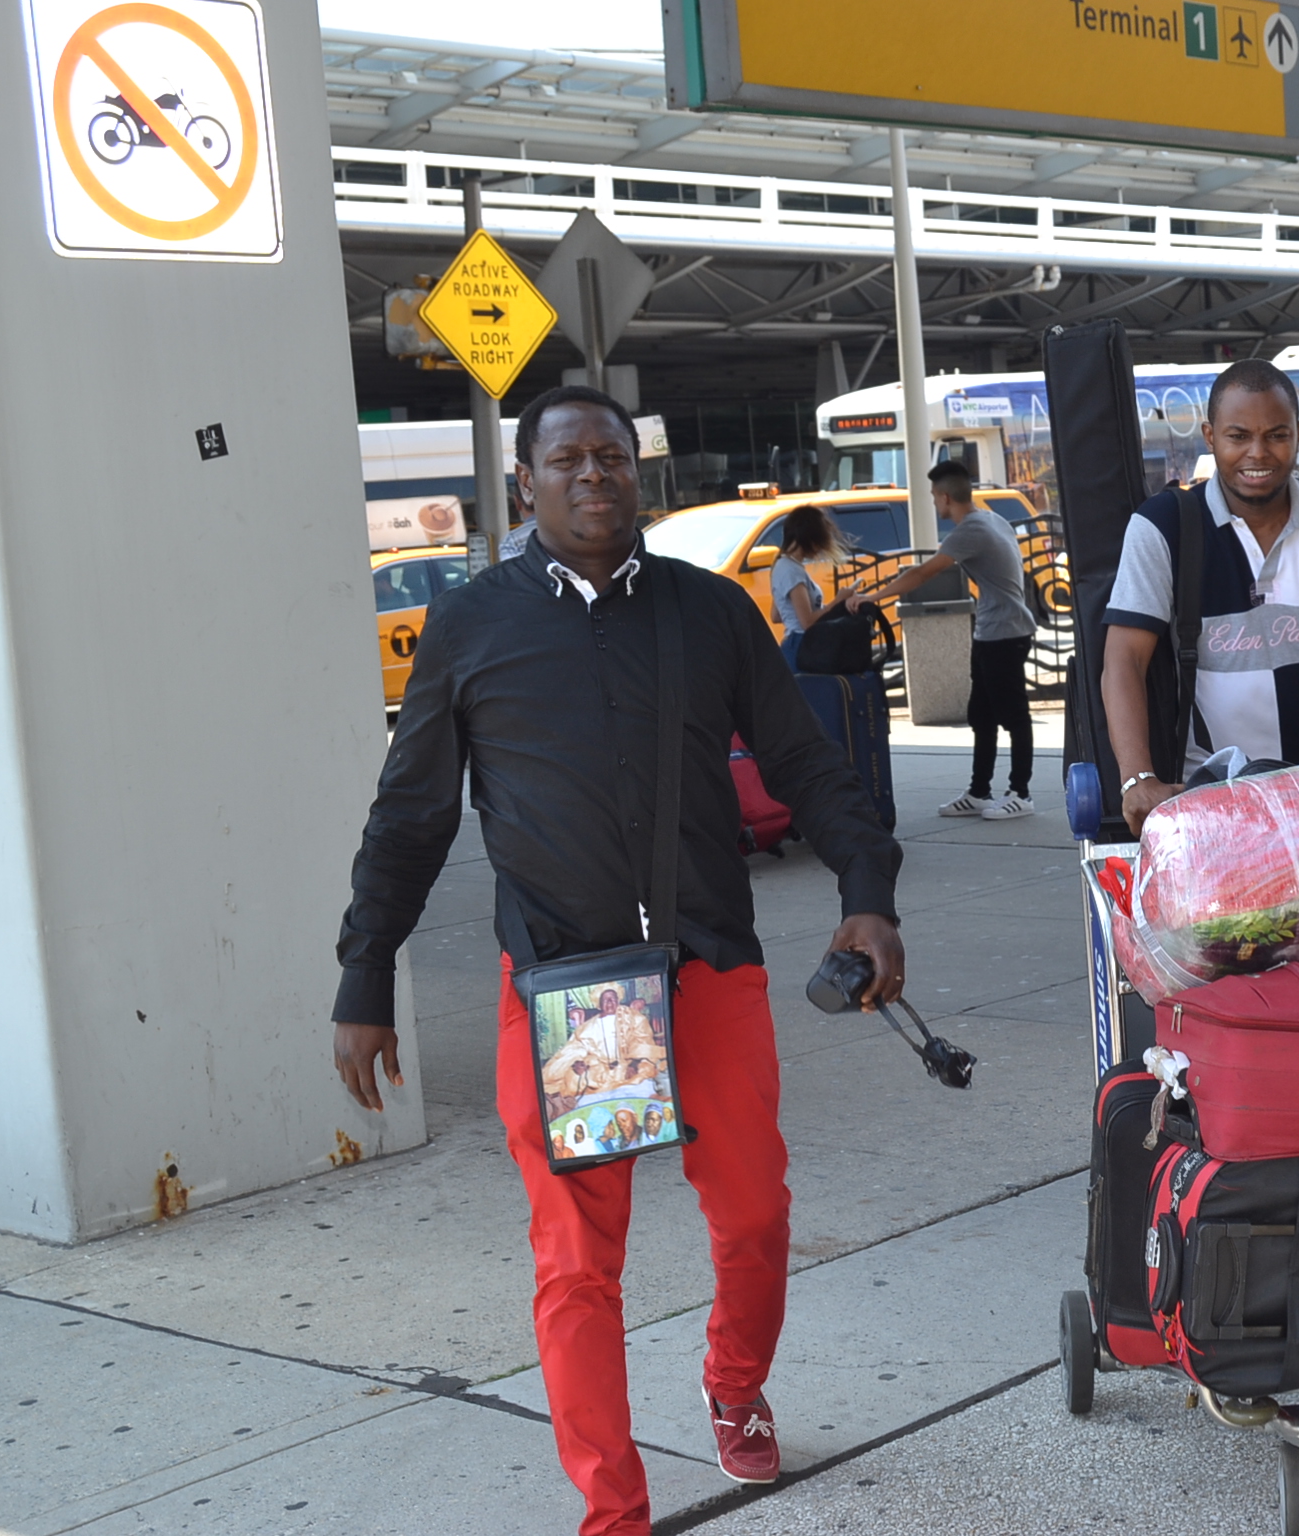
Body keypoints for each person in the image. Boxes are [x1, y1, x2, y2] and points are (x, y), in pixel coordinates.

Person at [330, 382, 906, 1531]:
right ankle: (613, 1512)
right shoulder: (474, 624)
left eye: (613, 457)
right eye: (568, 460)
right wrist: (364, 974)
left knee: (751, 1219)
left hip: (707, 969)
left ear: (636, 473)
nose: (594, 476)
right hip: (573, 994)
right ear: (524, 483)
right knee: (579, 1264)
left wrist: (867, 893)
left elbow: (805, 762)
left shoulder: (708, 613)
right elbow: (411, 819)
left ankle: (733, 1389)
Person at [1100, 359, 1299, 835]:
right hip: (1210, 802)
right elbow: (1123, 660)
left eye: (1276, 435)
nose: (1258, 453)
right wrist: (1138, 778)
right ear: (1209, 435)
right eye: (1238, 436)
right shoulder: (1162, 525)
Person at [848, 462, 1039, 820]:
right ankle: (980, 791)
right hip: (992, 631)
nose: (935, 505)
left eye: (936, 497)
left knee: (1014, 717)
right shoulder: (993, 519)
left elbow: (923, 572)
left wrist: (874, 598)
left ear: (946, 497)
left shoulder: (970, 530)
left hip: (1005, 633)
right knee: (981, 716)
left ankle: (1021, 793)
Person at [768, 504, 859, 673]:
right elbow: (807, 622)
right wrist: (838, 601)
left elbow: (776, 615)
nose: (820, 549)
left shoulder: (783, 566)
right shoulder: (791, 571)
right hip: (802, 646)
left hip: (794, 645)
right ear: (809, 538)